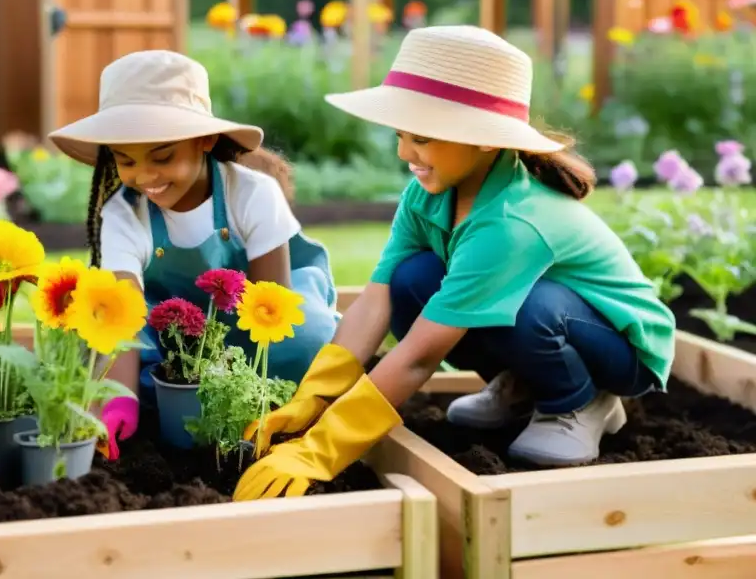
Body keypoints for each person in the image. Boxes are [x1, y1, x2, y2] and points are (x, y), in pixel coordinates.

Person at [233, 25, 676, 501]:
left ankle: (580, 402)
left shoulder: (510, 224)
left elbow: (422, 354)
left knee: (528, 306)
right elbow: (378, 296)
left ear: (485, 139)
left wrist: (324, 448)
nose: (405, 153)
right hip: (553, 325)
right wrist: (312, 397)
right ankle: (521, 387)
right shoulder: (428, 194)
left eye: (421, 137)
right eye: (401, 135)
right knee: (412, 282)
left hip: (620, 348)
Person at [48, 49, 340, 459]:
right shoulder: (122, 213)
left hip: (253, 324)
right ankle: (161, 402)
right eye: (125, 160)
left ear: (205, 140)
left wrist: (231, 376)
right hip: (172, 334)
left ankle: (255, 406)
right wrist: (119, 398)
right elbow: (124, 316)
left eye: (162, 156)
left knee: (307, 340)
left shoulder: (252, 194)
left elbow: (272, 305)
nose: (145, 176)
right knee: (86, 345)